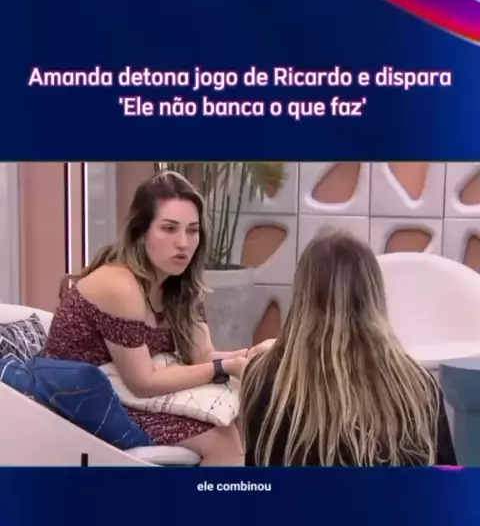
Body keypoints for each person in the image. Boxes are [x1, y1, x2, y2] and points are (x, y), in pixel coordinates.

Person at [43, 171, 271, 466]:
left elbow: (202, 357)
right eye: (169, 229)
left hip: (127, 395)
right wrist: (226, 367)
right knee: (223, 440)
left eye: (192, 230)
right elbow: (142, 382)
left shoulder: (179, 286)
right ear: (140, 232)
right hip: (77, 406)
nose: (183, 243)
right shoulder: (120, 285)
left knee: (243, 417)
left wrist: (251, 356)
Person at [240, 229, 457, 467]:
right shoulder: (418, 388)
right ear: (374, 294)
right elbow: (447, 482)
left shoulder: (264, 380)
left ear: (302, 296)